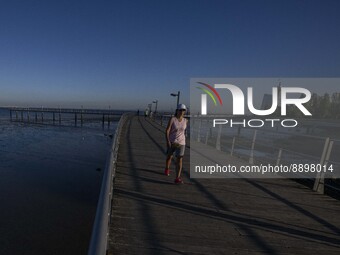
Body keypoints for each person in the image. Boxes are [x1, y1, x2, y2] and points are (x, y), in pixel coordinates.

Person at [165, 104, 188, 184]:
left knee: (179, 159)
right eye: (180, 110)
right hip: (172, 141)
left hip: (182, 142)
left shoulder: (186, 120)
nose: (182, 111)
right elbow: (167, 130)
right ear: (177, 110)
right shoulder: (173, 119)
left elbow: (184, 131)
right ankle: (167, 168)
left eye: (183, 110)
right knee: (169, 157)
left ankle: (177, 178)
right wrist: (168, 141)